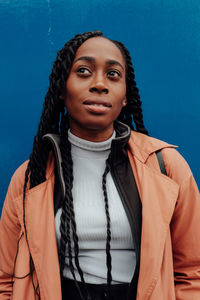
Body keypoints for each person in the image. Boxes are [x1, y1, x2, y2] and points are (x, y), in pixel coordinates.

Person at [0, 30, 199, 300]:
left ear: (125, 95)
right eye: (83, 71)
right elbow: (5, 278)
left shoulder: (165, 167)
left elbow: (193, 271)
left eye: (113, 74)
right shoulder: (31, 177)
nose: (99, 84)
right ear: (61, 88)